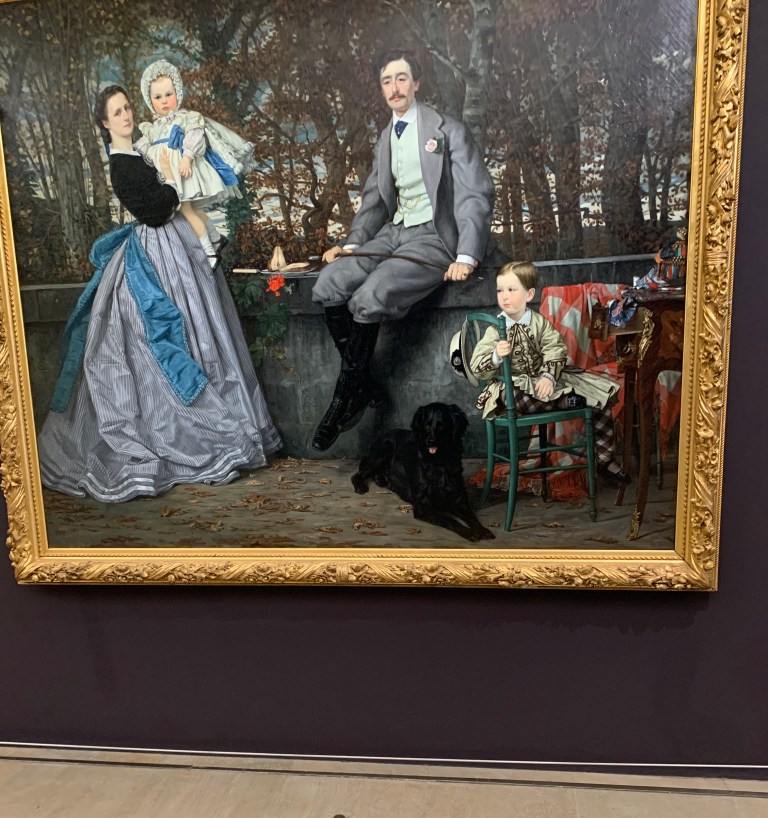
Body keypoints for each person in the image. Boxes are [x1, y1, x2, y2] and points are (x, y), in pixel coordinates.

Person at [36, 85, 281, 504]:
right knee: (163, 338)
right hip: (156, 251)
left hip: (176, 245)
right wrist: (171, 184)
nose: (126, 116)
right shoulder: (121, 165)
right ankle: (177, 430)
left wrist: (172, 181)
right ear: (105, 123)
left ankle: (221, 419)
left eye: (127, 108)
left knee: (202, 326)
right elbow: (154, 212)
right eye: (117, 112)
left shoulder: (141, 151)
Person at [310, 49, 495, 451]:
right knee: (329, 283)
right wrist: (353, 244)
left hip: (434, 237)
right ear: (382, 89)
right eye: (387, 81)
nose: (394, 88)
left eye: (401, 78)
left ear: (416, 83)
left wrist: (466, 255)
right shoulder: (386, 138)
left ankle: (342, 399)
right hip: (395, 232)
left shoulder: (449, 130)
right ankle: (363, 386)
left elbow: (474, 194)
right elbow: (375, 198)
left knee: (370, 295)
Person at [469, 261, 631, 484]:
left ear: (529, 294)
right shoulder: (496, 328)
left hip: (543, 385)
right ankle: (570, 402)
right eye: (500, 290)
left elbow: (555, 348)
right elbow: (477, 366)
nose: (504, 297)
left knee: (599, 396)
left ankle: (604, 459)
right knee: (524, 396)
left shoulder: (538, 323)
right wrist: (496, 355)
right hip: (512, 391)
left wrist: (547, 375)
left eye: (511, 290)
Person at [136, 60, 254, 267]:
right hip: (166, 175)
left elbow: (195, 136)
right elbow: (145, 147)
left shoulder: (185, 118)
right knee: (186, 209)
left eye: (168, 94)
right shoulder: (153, 128)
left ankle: (209, 252)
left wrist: (187, 157)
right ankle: (215, 238)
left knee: (186, 210)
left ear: (177, 93)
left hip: (181, 171)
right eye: (158, 97)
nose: (164, 101)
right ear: (150, 101)